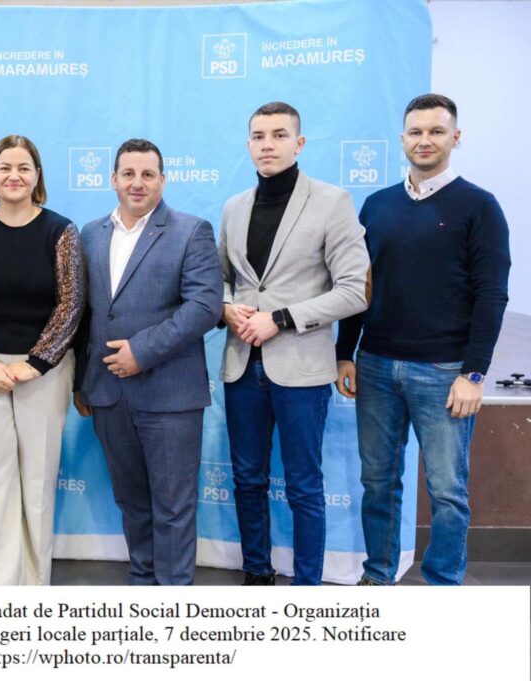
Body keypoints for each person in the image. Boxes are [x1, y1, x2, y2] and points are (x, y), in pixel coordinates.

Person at [335, 93, 510, 586]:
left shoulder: (480, 206)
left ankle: (442, 585)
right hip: (375, 366)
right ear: (403, 139)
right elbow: (361, 286)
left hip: (444, 373)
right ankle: (377, 575)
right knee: (378, 482)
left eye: (436, 131)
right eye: (416, 131)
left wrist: (473, 372)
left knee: (447, 491)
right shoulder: (377, 205)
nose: (425, 140)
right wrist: (345, 353)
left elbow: (492, 295)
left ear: (456, 137)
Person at [218, 102, 369, 586]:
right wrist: (226, 307)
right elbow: (220, 280)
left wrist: (280, 319)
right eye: (259, 136)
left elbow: (355, 290)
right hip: (242, 366)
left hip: (301, 367)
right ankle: (256, 574)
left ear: (299, 143)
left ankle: (306, 587)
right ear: (248, 144)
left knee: (304, 485)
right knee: (247, 479)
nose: (268, 144)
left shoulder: (332, 201)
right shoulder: (234, 207)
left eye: (279, 135)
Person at [74, 138, 222, 585]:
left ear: (163, 180)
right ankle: (142, 584)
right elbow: (83, 313)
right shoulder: (90, 234)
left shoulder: (191, 231)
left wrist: (142, 351)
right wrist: (81, 382)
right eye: (128, 174)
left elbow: (205, 306)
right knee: (132, 501)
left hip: (169, 394)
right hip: (107, 392)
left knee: (173, 506)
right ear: (113, 179)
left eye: (147, 174)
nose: (137, 183)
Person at [0, 134, 85, 585]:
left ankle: (34, 584)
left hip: (44, 372)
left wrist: (37, 363)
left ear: (37, 175)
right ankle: (2, 587)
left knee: (38, 481)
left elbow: (71, 303)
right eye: (5, 167)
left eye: (24, 167)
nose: (14, 176)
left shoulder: (61, 232)